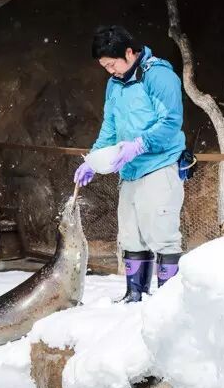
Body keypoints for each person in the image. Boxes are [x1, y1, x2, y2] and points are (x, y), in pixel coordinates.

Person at [74, 25, 186, 303]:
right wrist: (93, 159)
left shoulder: (158, 76)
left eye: (111, 64)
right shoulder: (115, 84)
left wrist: (140, 144)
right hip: (130, 170)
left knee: (162, 235)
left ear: (128, 52)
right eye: (105, 67)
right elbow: (110, 128)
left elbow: (171, 122)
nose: (109, 71)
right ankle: (134, 294)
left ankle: (168, 302)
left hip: (159, 165)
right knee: (131, 235)